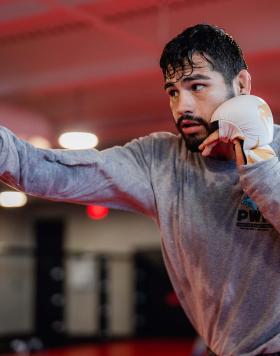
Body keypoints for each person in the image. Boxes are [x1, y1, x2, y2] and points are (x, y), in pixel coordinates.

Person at [0, 23, 280, 355]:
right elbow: (53, 171)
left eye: (197, 86)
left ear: (242, 84)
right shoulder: (160, 161)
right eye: (173, 92)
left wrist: (257, 158)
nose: (182, 107)